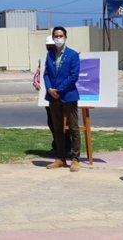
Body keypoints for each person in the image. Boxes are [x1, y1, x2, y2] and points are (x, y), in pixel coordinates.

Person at [43, 26, 82, 172]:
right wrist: (49, 89)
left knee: (73, 128)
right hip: (53, 97)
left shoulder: (72, 55)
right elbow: (46, 73)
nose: (58, 38)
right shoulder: (50, 54)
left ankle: (75, 159)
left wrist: (59, 89)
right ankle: (60, 158)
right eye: (56, 36)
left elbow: (74, 76)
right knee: (57, 128)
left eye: (61, 36)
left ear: (65, 37)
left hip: (68, 96)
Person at [34, 37, 70, 158]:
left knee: (66, 123)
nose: (49, 48)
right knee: (52, 122)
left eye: (51, 46)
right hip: (49, 96)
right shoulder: (45, 59)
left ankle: (68, 147)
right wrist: (36, 82)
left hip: (63, 95)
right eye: (47, 46)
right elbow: (39, 74)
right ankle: (57, 147)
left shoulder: (64, 57)